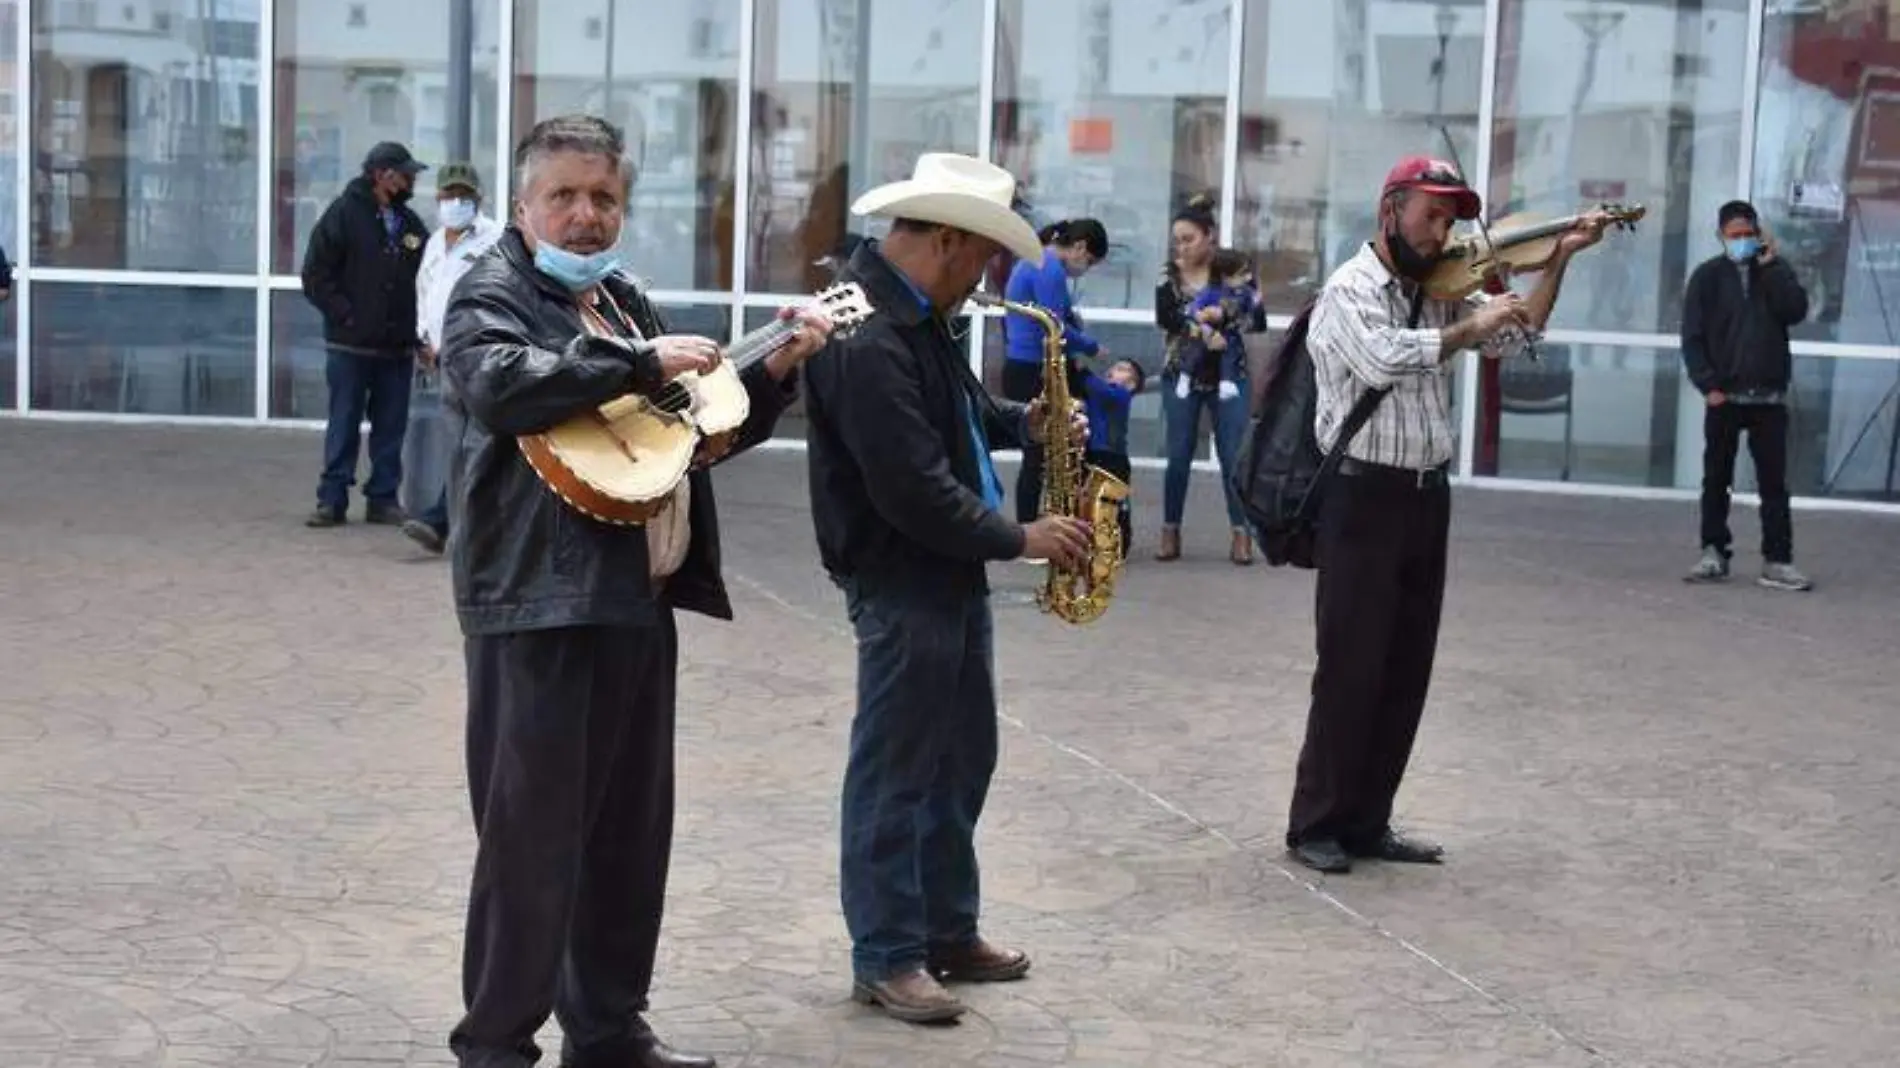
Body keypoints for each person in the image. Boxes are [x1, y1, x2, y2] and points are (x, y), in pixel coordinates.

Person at [438, 114, 833, 1068]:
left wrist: (771, 374)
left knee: (627, 835)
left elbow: (682, 440)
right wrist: (637, 362)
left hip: (633, 599)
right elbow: (498, 384)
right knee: (531, 844)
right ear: (524, 206)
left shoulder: (624, 300)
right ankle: (495, 1047)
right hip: (537, 606)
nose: (584, 216)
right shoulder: (489, 292)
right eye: (564, 197)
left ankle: (608, 1031)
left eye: (602, 198)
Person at [801, 153, 1092, 1025]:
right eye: (980, 262)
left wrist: (1023, 422)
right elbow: (910, 487)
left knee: (960, 757)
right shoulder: (865, 331)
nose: (984, 280)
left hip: (946, 569)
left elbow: (952, 424)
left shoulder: (915, 314)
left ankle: (944, 929)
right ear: (945, 241)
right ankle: (888, 955)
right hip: (903, 572)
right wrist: (1021, 537)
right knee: (896, 770)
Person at [1284, 156, 1610, 875]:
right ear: (1390, 208)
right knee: (1349, 665)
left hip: (1426, 495)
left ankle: (1369, 820)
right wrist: (1471, 325)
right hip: (1363, 496)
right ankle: (1316, 822)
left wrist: (1556, 264)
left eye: (1452, 218)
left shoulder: (1438, 290)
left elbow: (1517, 336)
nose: (1445, 232)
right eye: (1432, 214)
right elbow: (1382, 360)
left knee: (1405, 663)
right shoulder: (1350, 290)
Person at [1680, 200, 1812, 591]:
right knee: (1716, 479)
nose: (1741, 242)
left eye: (1747, 235)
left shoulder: (1774, 271)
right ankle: (1713, 553)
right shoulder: (1707, 278)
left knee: (1774, 484)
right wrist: (1709, 386)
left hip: (1768, 399)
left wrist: (1771, 265)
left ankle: (1778, 560)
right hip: (1725, 398)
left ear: (1759, 235)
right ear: (1721, 236)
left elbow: (1795, 311)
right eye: (1733, 235)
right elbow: (1692, 337)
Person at [301, 141, 431, 528]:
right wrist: (347, 315)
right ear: (381, 174)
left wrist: (418, 334)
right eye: (405, 174)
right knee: (344, 422)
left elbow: (427, 279)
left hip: (395, 348)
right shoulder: (343, 215)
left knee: (391, 428)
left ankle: (383, 498)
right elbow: (316, 276)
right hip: (350, 346)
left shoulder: (409, 224)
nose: (410, 180)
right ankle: (332, 499)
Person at [403, 161, 505, 555]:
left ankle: (444, 522)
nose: (455, 203)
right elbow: (425, 293)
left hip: (479, 354)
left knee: (474, 441)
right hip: (442, 358)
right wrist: (424, 340)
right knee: (461, 442)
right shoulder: (432, 243)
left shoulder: (495, 239)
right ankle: (452, 523)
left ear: (478, 199)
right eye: (448, 196)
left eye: (463, 197)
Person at [1154, 195, 1257, 565]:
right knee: (1178, 454)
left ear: (1209, 236)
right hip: (1181, 374)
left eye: (1188, 239)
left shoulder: (1231, 267)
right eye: (1177, 240)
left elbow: (1255, 317)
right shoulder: (1168, 274)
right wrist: (1200, 328)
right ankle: (1170, 530)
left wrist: (1224, 316)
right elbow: (1165, 317)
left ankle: (1241, 534)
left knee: (1233, 457)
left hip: (1229, 376)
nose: (1181, 247)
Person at [1001, 217, 1108, 524]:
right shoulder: (1050, 269)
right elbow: (1055, 326)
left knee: (1039, 452)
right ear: (1079, 247)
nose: (1083, 270)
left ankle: (1034, 522)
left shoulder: (1036, 261)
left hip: (1024, 365)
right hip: (1032, 368)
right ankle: (1029, 528)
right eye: (1088, 262)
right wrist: (1090, 346)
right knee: (1039, 454)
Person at [1081, 358, 1145, 559]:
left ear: (1132, 384)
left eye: (1122, 369)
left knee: (1114, 502)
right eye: (1114, 367)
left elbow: (1099, 389)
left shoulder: (1120, 395)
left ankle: (1120, 543)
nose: (1113, 370)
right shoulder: (1098, 394)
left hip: (1112, 457)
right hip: (1092, 453)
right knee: (1088, 500)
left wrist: (1083, 372)